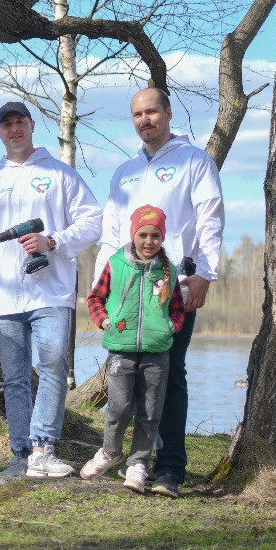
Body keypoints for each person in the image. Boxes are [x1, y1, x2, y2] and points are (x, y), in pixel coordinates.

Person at [94, 87, 224, 498]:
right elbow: (110, 234)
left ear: (168, 112)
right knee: (127, 382)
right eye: (137, 114)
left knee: (170, 377)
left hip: (171, 288)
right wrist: (102, 287)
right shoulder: (125, 172)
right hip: (126, 294)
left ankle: (169, 469)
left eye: (152, 111)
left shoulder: (193, 161)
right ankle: (133, 462)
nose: (145, 120)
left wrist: (205, 273)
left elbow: (210, 218)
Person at [0, 101, 102, 479]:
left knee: (55, 366)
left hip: (51, 294)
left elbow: (93, 221)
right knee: (14, 377)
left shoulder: (60, 174)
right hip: (4, 298)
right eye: (6, 124)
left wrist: (53, 241)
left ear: (31, 125)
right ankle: (21, 455)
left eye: (19, 122)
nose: (14, 129)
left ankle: (44, 447)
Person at [82, 205, 186, 493]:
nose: (149, 241)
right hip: (121, 349)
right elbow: (95, 298)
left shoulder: (168, 271)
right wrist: (105, 322)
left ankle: (138, 464)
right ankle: (110, 452)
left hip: (157, 352)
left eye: (155, 235)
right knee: (119, 406)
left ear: (162, 238)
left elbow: (178, 309)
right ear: (133, 235)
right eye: (143, 235)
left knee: (150, 411)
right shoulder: (116, 264)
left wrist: (171, 327)